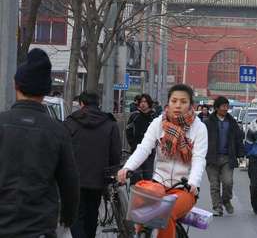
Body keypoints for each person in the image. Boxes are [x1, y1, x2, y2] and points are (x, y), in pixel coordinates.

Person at [0, 48, 79, 237]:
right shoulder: (57, 131)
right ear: (46, 91)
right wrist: (67, 217)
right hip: (39, 227)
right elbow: (70, 183)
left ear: (16, 85)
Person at [118, 84, 207, 238]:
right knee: (140, 214)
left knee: (166, 213)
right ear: (168, 102)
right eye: (174, 101)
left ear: (191, 104)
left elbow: (199, 158)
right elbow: (144, 148)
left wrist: (193, 182)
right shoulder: (158, 123)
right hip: (158, 184)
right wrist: (127, 168)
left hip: (184, 188)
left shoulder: (199, 128)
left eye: (183, 101)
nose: (178, 105)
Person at [63, 91, 121, 238]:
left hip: (75, 178)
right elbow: (115, 153)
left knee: (77, 215)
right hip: (98, 179)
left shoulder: (70, 122)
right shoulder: (110, 123)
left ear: (81, 103)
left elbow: (63, 150)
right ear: (98, 103)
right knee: (92, 212)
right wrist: (112, 174)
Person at [205, 96, 245, 216]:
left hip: (227, 157)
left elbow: (238, 139)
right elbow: (201, 140)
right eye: (223, 106)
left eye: (227, 106)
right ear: (217, 108)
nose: (226, 109)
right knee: (214, 185)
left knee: (228, 182)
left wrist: (241, 154)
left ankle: (226, 200)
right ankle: (217, 208)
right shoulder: (208, 122)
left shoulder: (232, 122)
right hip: (211, 158)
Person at [125, 93, 157, 182]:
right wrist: (133, 144)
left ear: (149, 103)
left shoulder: (154, 117)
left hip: (150, 152)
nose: (143, 104)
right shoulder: (134, 116)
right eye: (141, 102)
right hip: (136, 150)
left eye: (145, 102)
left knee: (148, 177)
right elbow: (128, 131)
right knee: (135, 177)